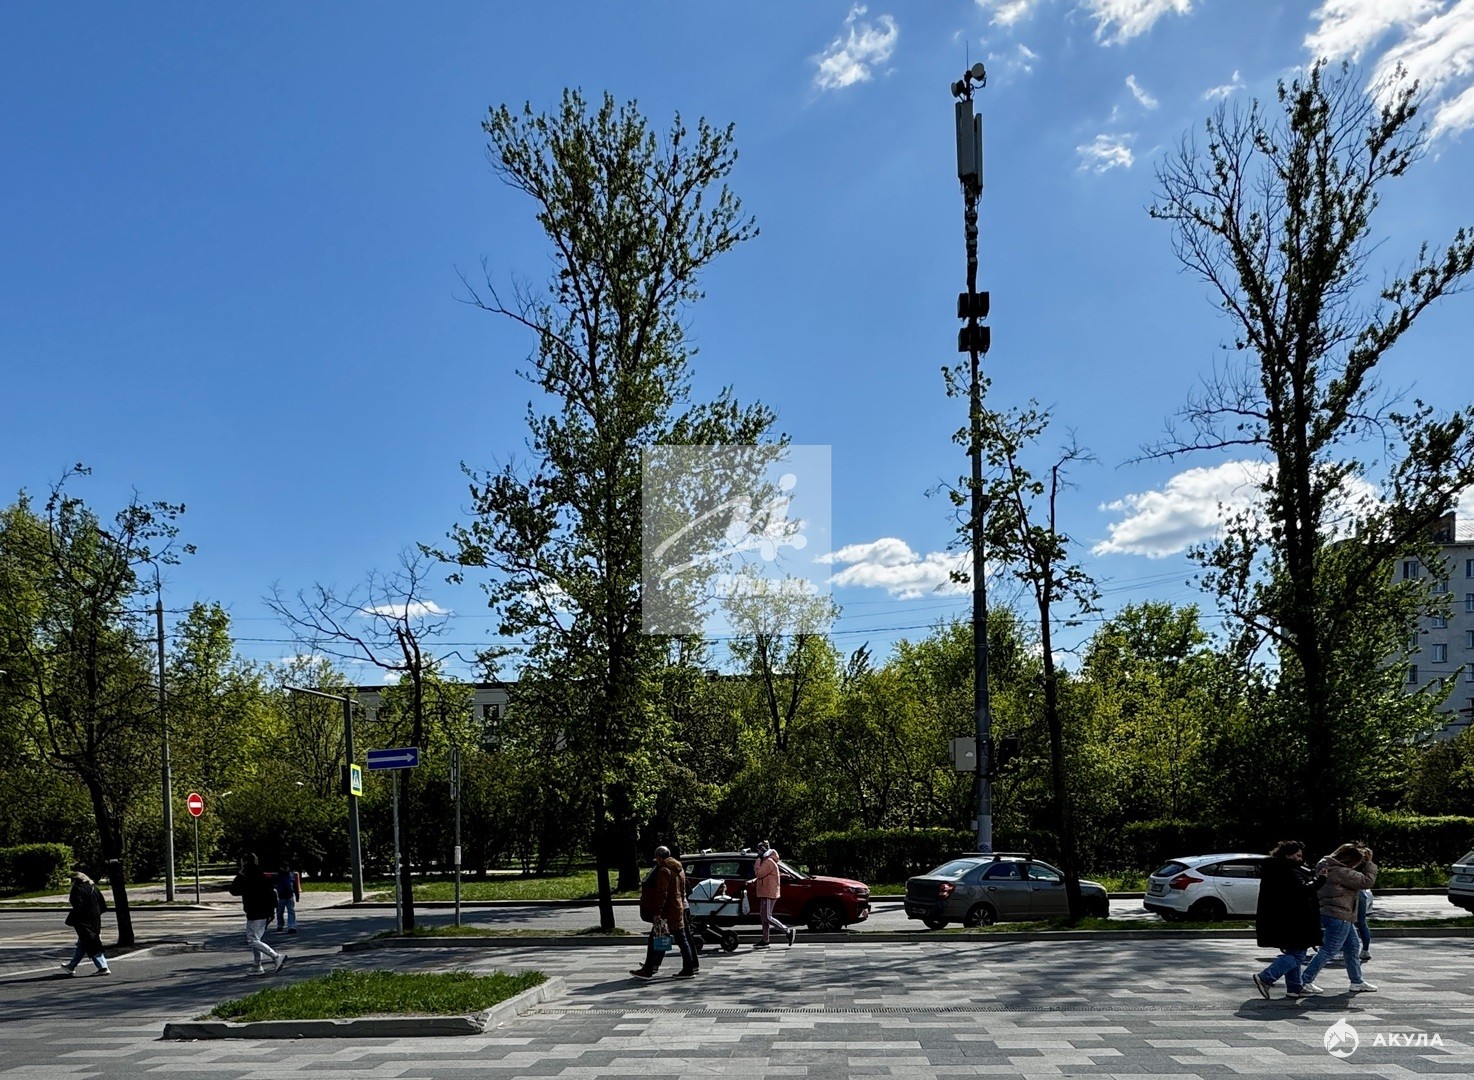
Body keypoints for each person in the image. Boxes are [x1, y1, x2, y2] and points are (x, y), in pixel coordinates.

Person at [1299, 843, 1378, 994]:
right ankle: (1305, 980)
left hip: (1330, 913)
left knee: (1352, 947)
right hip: (1340, 914)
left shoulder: (1325, 865)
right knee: (1329, 950)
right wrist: (1369, 863)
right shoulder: (1342, 871)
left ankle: (1357, 981)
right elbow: (1367, 881)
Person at [1250, 841, 1323, 999]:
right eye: (1298, 855)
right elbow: (1302, 891)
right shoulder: (1286, 870)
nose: (1300, 859)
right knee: (1297, 955)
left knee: (1295, 952)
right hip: (1293, 920)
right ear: (1288, 855)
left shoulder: (1277, 868)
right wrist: (1320, 880)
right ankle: (1266, 977)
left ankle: (1295, 988)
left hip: (1284, 919)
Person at [630, 845, 697, 980]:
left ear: (659, 858)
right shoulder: (679, 868)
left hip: (667, 910)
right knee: (682, 939)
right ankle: (689, 968)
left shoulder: (664, 870)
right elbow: (683, 890)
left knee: (655, 939)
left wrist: (657, 912)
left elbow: (662, 893)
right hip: (678, 907)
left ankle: (648, 970)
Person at [228, 853, 287, 975]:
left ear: (244, 862)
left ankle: (276, 956)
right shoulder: (261, 874)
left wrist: (239, 875)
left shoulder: (247, 875)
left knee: (252, 940)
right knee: (256, 939)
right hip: (265, 912)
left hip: (255, 912)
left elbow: (233, 890)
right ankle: (257, 965)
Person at [59, 871, 110, 976]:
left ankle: (103, 967)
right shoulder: (93, 887)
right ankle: (71, 966)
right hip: (95, 919)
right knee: (84, 943)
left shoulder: (77, 888)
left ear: (75, 880)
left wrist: (74, 917)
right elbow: (103, 905)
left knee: (91, 942)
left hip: (83, 920)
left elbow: (76, 904)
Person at [749, 841, 795, 949]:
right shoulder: (767, 861)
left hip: (768, 892)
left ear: (764, 851)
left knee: (767, 916)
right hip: (765, 891)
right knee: (763, 916)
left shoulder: (768, 862)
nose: (758, 852)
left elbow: (759, 873)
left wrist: (757, 863)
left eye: (759, 850)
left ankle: (788, 931)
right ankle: (766, 939)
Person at [274, 861, 301, 934]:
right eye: (284, 867)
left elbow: (295, 886)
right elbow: (272, 886)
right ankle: (280, 925)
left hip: (290, 896)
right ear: (280, 868)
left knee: (291, 911)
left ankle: (291, 926)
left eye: (287, 867)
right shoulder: (276, 876)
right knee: (279, 912)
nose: (286, 868)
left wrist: (297, 895)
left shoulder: (291, 875)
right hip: (280, 897)